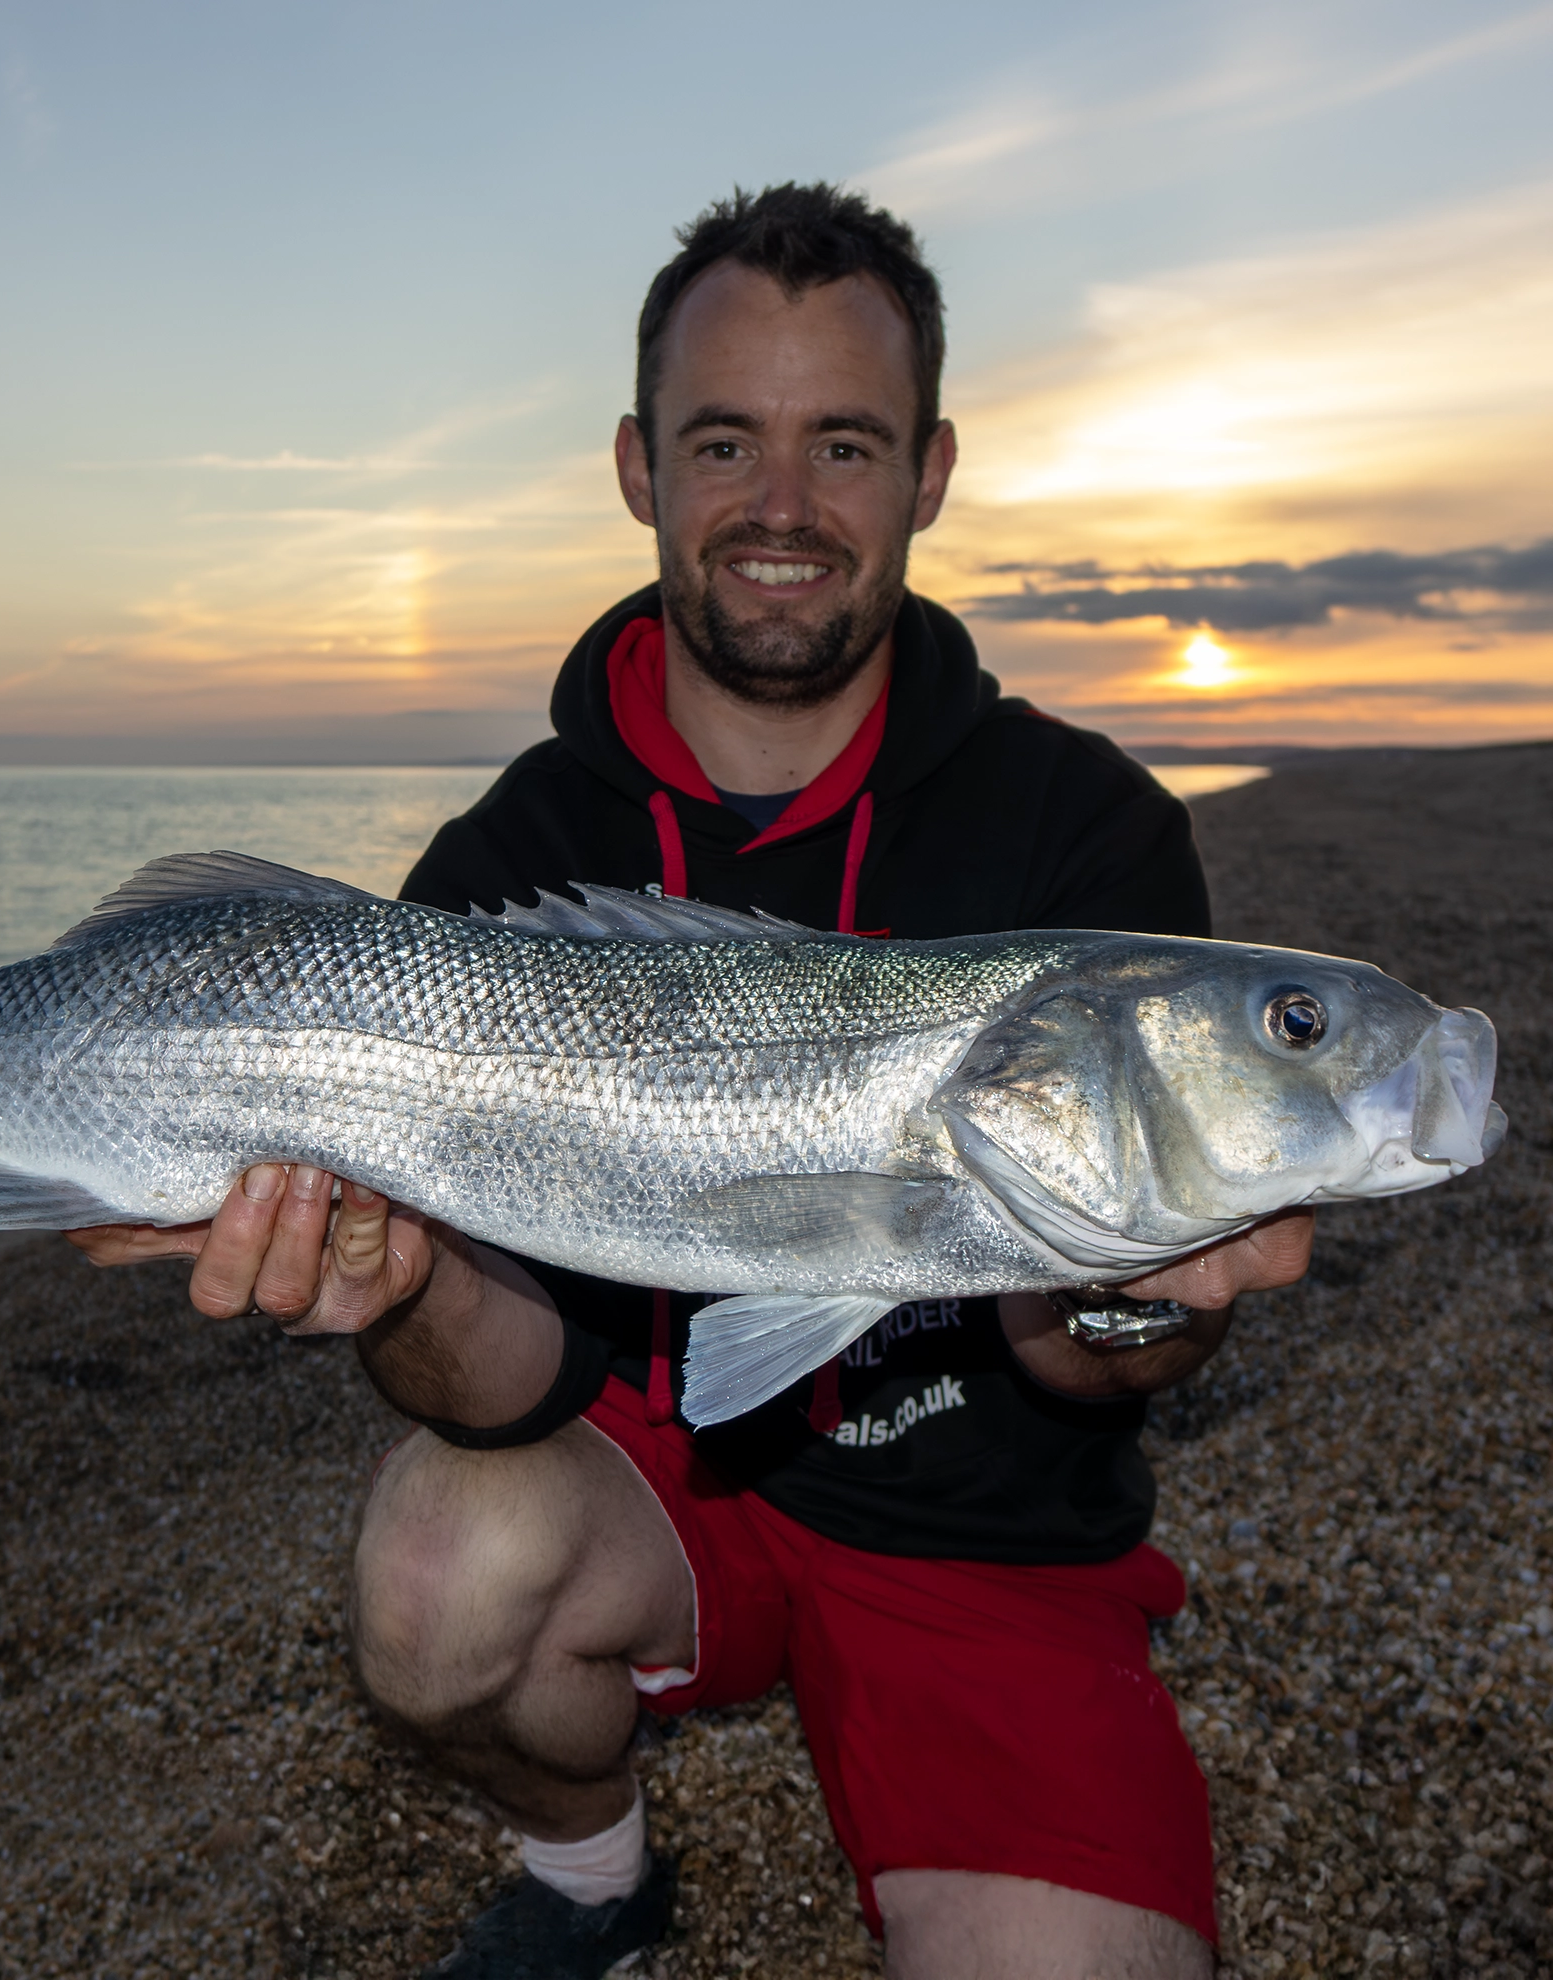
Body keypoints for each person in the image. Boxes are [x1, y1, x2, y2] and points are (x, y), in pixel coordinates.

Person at [69, 184, 1314, 1979]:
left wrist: (1142, 1296)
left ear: (932, 470)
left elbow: (1078, 1361)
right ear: (642, 465)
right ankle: (595, 1875)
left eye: (847, 445)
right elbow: (506, 1382)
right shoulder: (507, 859)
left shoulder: (1087, 834)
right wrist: (390, 1279)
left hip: (990, 1535)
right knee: (436, 1584)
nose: (784, 510)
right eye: (726, 440)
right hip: (650, 1474)